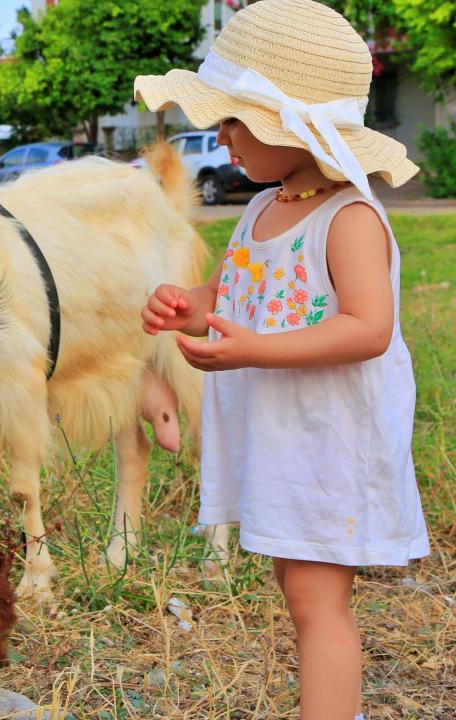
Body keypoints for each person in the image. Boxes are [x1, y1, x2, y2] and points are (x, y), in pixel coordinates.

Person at [133, 1, 430, 718]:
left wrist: (255, 349)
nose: (222, 136)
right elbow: (234, 289)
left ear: (294, 127)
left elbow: (369, 329)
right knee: (297, 588)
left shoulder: (349, 218)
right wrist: (192, 305)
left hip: (330, 440)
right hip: (284, 435)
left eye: (238, 122)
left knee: (315, 600)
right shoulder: (262, 208)